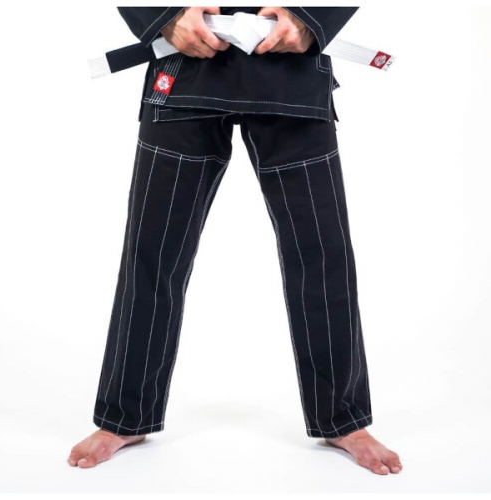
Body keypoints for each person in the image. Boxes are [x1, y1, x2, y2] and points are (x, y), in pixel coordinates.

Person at [68, 6, 402, 475]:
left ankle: (343, 418)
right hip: (184, 65)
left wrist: (310, 17)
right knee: (153, 250)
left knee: (321, 251)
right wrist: (165, 15)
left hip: (291, 66)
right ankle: (125, 415)